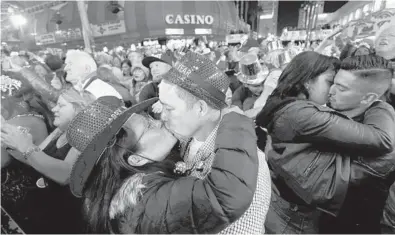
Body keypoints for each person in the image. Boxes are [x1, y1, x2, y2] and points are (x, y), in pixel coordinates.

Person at [66, 96, 258, 234]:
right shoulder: (139, 201)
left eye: (150, 118)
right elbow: (224, 197)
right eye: (149, 126)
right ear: (136, 159)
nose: (160, 121)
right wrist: (233, 121)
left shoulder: (133, 180)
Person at [257, 53, 395, 233]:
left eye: (341, 87)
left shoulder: (381, 136)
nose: (331, 91)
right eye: (332, 82)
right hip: (292, 218)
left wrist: (381, 107)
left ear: (368, 98)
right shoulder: (310, 114)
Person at [158, 51, 271, 234]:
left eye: (169, 108)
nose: (162, 116)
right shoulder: (184, 139)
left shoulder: (247, 169)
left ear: (201, 108)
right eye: (160, 105)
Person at [2, 88, 91, 233]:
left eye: (61, 106)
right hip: (42, 204)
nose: (54, 109)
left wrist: (26, 146)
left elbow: (66, 175)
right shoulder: (60, 130)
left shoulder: (86, 136)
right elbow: (35, 159)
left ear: (80, 109)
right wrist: (12, 145)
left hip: (64, 214)